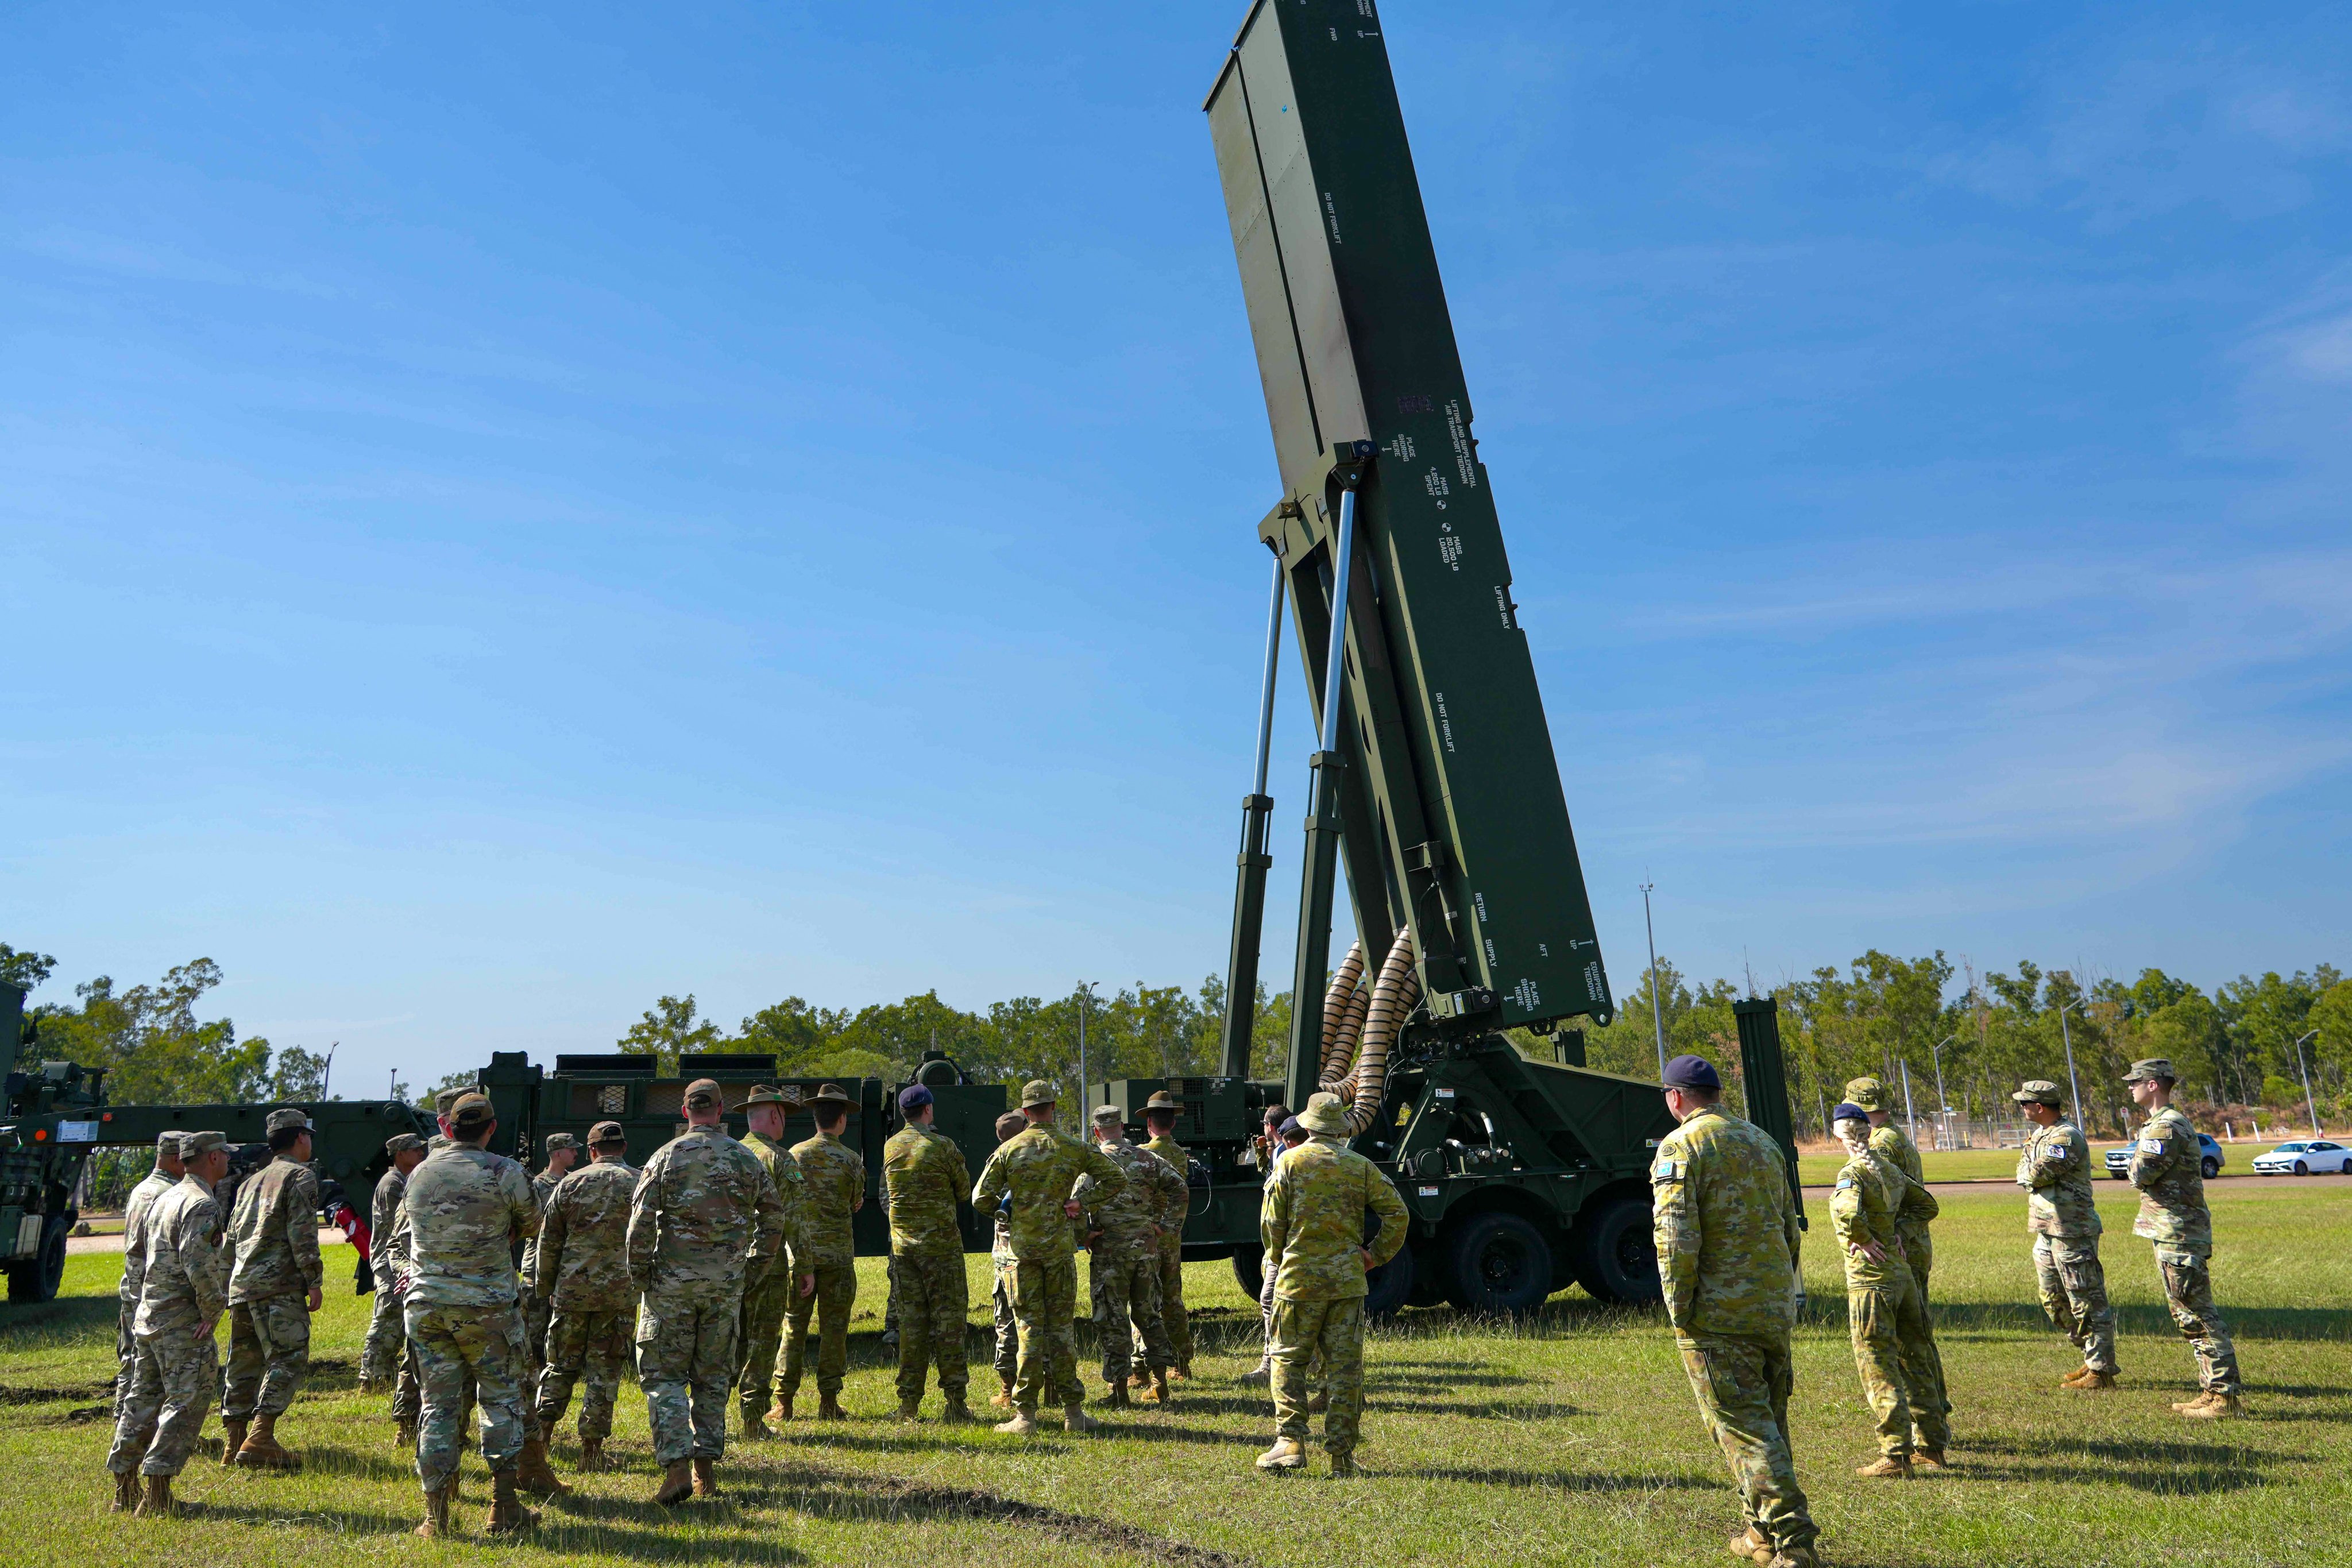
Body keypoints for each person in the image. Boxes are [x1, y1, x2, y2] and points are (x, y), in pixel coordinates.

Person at [1651, 1055, 1818, 1568]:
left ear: (1675, 1097)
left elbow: (1675, 1237)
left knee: (1744, 1428)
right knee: (1765, 1423)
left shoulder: (1682, 1145)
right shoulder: (1761, 1141)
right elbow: (1790, 1227)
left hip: (1718, 1314)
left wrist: (1679, 1308)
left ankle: (1794, 1543)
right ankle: (1759, 1534)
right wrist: (1782, 1292)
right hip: (1770, 1308)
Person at [629, 1077, 787, 1503]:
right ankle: (705, 1472)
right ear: (720, 1111)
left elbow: (640, 1224)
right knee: (712, 1378)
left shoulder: (664, 1156)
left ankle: (676, 1467)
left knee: (664, 1377)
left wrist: (640, 1276)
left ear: (685, 1112)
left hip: (670, 1288)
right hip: (724, 1286)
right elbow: (774, 1218)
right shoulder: (744, 1158)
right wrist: (751, 1269)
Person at [401, 1092, 541, 1539]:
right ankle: (503, 1507)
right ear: (491, 1128)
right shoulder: (504, 1171)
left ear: (447, 1128)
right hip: (487, 1307)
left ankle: (435, 1517)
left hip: (428, 1307)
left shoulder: (420, 1173)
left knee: (437, 1407)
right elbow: (533, 1222)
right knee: (500, 1402)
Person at [1253, 1092, 1407, 1478]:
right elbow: (1397, 1213)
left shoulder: (1288, 1162)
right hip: (1346, 1283)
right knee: (1343, 1371)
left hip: (1297, 1280)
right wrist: (1374, 1256)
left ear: (1306, 1126)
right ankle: (1341, 1456)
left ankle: (1289, 1443)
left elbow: (1271, 1226)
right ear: (1339, 1129)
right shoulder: (1360, 1165)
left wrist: (1280, 1255)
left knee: (1287, 1359)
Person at [971, 1080, 1125, 1435]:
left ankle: (1026, 1417)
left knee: (1028, 1331)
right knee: (1062, 1331)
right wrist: (1080, 1203)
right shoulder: (1074, 1147)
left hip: (1022, 1256)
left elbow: (981, 1197)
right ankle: (1074, 1414)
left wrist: (1008, 1212)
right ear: (1053, 1108)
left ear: (1025, 1112)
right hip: (1059, 1252)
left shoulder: (1010, 1149)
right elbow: (1115, 1179)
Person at [105, 1129, 231, 1518]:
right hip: (181, 1320)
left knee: (141, 1401)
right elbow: (200, 1266)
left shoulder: (165, 1196)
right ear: (212, 1158)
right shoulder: (200, 1204)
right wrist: (212, 1310)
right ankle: (158, 1494)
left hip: (150, 1315)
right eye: (225, 1153)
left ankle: (124, 1489)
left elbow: (143, 1256)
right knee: (187, 1400)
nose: (229, 1159)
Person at [2124, 1058, 2245, 1417]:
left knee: (2198, 1313)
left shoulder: (2167, 1127)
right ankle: (2212, 1390)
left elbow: (2140, 1172)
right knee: (2188, 1315)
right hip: (2171, 1230)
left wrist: (2134, 1164)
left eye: (2136, 1082)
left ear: (2154, 1085)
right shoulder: (2157, 1124)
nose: (2131, 1087)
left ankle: (2223, 1397)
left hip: (2179, 1232)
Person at [1842, 1076, 1949, 1455]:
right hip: (1907, 1248)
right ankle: (1934, 1425)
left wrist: (1885, 1234)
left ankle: (1920, 1432)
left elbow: (1875, 1201)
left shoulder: (1880, 1144)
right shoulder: (1892, 1134)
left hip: (1893, 1256)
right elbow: (1920, 1200)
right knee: (1916, 1339)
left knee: (1903, 1347)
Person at [532, 1120, 639, 1473]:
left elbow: (548, 1243)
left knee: (559, 1366)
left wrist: (546, 1289)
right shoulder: (639, 1182)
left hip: (572, 1293)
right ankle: (591, 1452)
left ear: (592, 1151)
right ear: (623, 1147)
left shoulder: (568, 1184)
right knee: (604, 1372)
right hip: (619, 1294)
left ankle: (541, 1442)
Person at [222, 1106, 325, 1471]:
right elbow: (303, 1233)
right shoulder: (300, 1177)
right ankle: (261, 1436)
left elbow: (231, 1239)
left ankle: (233, 1443)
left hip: (242, 1285)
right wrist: (313, 1279)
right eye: (309, 1135)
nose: (310, 1142)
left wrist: (226, 1282)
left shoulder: (252, 1180)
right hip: (278, 1285)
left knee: (243, 1363)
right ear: (300, 1138)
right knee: (289, 1356)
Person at [2013, 1080, 2117, 1389]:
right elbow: (2023, 1171)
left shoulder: (2066, 1137)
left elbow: (2035, 1173)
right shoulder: (2039, 1136)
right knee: (2053, 1299)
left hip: (2072, 1230)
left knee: (2085, 1299)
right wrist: (2028, 1171)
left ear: (2039, 1106)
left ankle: (2101, 1370)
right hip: (2046, 1229)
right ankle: (2090, 1358)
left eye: (2024, 1103)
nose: (2022, 1108)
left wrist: (2029, 1172)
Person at [1081, 1104, 1185, 1408]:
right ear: (1123, 1128)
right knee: (1149, 1316)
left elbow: (1074, 1202)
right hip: (1145, 1253)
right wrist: (1167, 1227)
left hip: (1109, 1255)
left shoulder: (1094, 1164)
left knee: (1113, 1319)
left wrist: (1083, 1234)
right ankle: (1160, 1383)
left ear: (1096, 1131)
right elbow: (1180, 1188)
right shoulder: (1149, 1158)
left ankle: (1120, 1392)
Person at [883, 1083, 975, 1420]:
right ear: (929, 1110)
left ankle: (908, 1404)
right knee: (949, 1324)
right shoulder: (943, 1147)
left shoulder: (891, 1147)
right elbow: (964, 1191)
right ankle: (955, 1403)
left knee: (912, 1327)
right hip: (942, 1250)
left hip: (904, 1251)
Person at [732, 1085, 814, 1439]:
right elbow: (794, 1218)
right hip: (768, 1265)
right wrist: (806, 1265)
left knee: (725, 1341)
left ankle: (704, 1415)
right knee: (763, 1341)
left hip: (726, 1265)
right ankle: (753, 1419)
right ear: (775, 1116)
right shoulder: (780, 1159)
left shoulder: (729, 1154)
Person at [779, 1083, 864, 1420]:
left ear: (816, 1118)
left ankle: (783, 1402)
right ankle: (829, 1401)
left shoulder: (794, 1155)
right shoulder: (851, 1160)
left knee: (793, 1327)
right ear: (842, 1120)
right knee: (835, 1330)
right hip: (839, 1258)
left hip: (801, 1258)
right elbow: (855, 1201)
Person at [114, 1133, 184, 1423]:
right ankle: (136, 1425)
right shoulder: (169, 1193)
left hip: (132, 1286)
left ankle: (124, 1420)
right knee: (152, 1366)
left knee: (131, 1358)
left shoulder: (141, 1189)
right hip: (153, 1290)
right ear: (178, 1158)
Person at [1132, 1090, 1196, 1383]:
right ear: (1173, 1122)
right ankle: (1182, 1362)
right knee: (1172, 1298)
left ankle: (1141, 1368)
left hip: (1146, 1237)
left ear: (1149, 1123)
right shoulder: (1180, 1154)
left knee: (1144, 1300)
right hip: (1170, 1237)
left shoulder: (1143, 1153)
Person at [1242, 1114, 1310, 1385]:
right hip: (1301, 1249)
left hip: (1286, 1249)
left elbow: (1272, 1217)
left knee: (1270, 1299)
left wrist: (1273, 1253)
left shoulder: (1289, 1162)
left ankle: (1272, 1365)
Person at [361, 1133, 427, 1395]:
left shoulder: (404, 1180)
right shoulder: (393, 1184)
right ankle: (372, 1377)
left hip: (396, 1259)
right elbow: (393, 1231)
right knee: (386, 1319)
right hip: (390, 1261)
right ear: (399, 1154)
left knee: (395, 1321)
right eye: (414, 1150)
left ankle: (381, 1375)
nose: (421, 1153)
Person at [519, 1131, 580, 1381]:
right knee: (535, 1321)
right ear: (557, 1153)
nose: (577, 1153)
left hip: (565, 1264)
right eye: (572, 1149)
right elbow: (528, 1223)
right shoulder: (536, 1185)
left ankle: (555, 1369)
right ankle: (532, 1371)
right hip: (536, 1264)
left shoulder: (575, 1182)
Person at [985, 1110, 1028, 1410]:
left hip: (1006, 1256)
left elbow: (979, 1198)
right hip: (1039, 1249)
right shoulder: (1035, 1155)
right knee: (1043, 1322)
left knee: (1007, 1325)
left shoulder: (997, 1162)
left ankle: (1007, 1390)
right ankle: (1050, 1387)